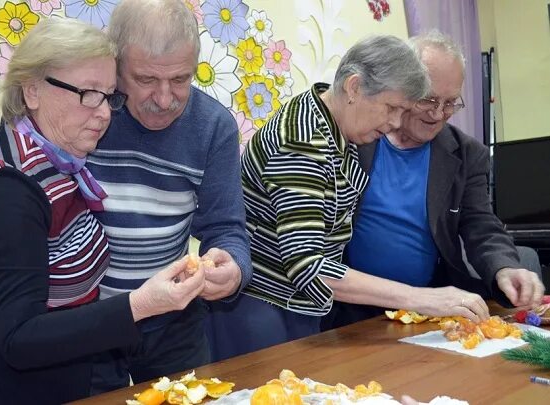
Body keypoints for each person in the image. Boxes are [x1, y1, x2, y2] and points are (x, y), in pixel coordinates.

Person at [0, 0, 251, 393]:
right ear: (117, 65)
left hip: (172, 323)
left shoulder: (212, 126)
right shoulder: (85, 108)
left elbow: (225, 226)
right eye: (146, 80)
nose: (164, 99)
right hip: (84, 325)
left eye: (181, 79)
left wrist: (232, 267)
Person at [205, 35, 430, 362]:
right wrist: (419, 298)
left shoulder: (338, 127)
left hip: (297, 305)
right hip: (260, 308)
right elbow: (308, 265)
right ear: (354, 87)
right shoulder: (303, 140)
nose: (396, 122)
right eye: (392, 108)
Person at [321, 30, 545, 331]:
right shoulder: (354, 135)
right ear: (404, 88)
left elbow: (481, 225)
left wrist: (505, 267)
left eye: (451, 103)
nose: (439, 114)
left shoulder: (467, 154)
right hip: (346, 310)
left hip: (427, 311)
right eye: (428, 99)